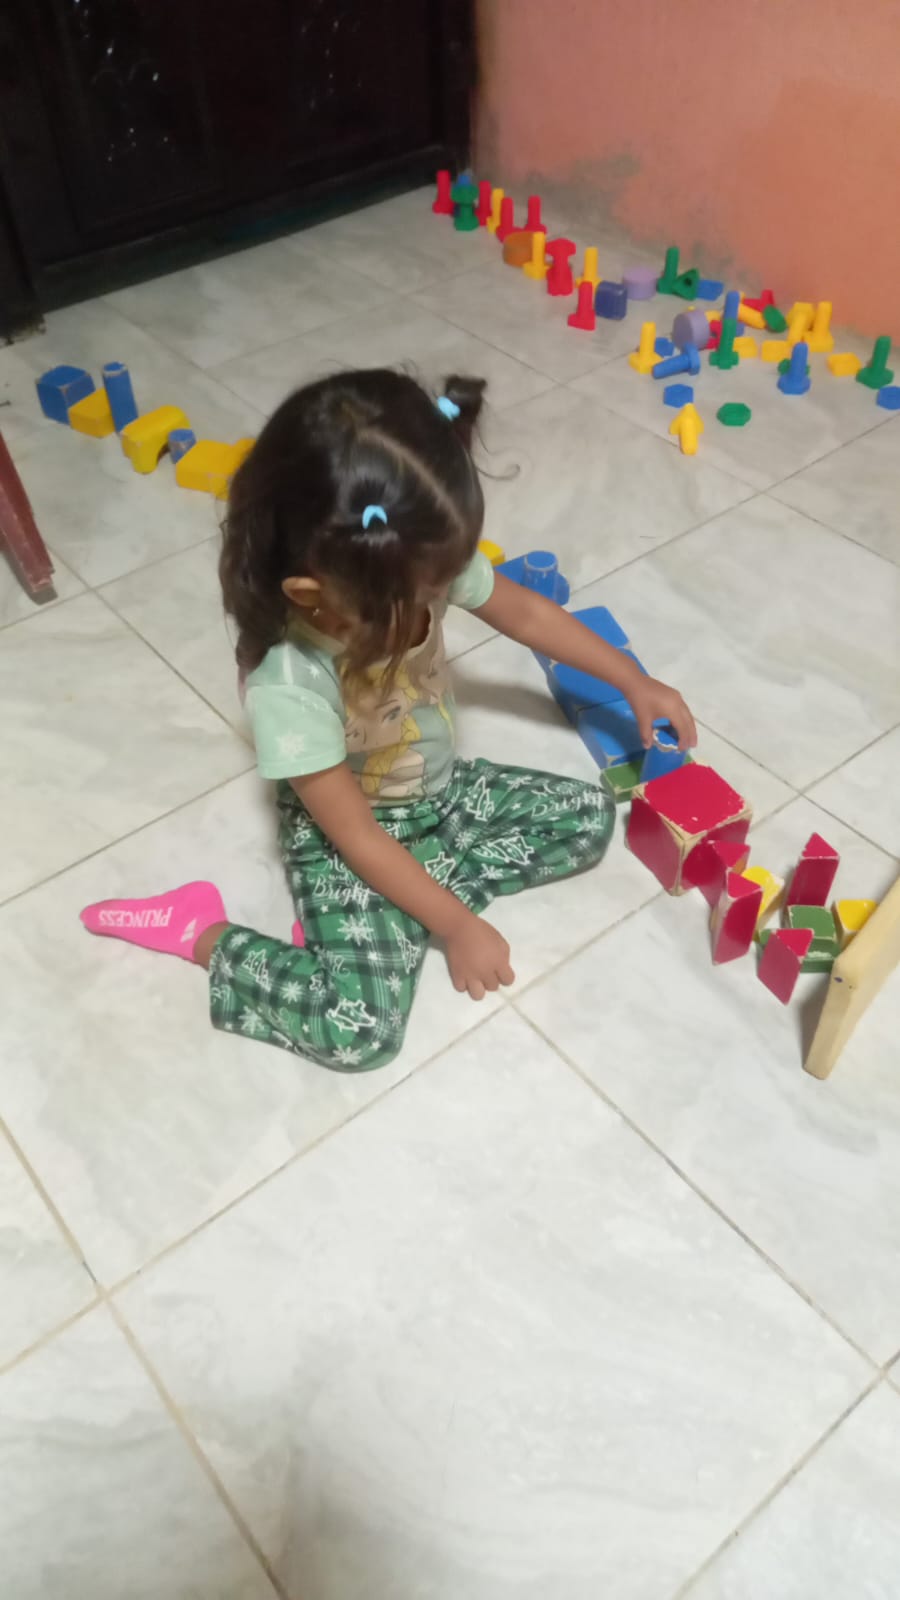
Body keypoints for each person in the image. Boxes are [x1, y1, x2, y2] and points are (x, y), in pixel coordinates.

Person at [80, 369, 696, 1070]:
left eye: (443, 584)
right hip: (347, 836)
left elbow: (525, 612)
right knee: (359, 1033)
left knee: (589, 819)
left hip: (438, 792)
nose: (439, 601)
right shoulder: (290, 685)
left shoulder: (413, 559)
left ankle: (391, 915)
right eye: (422, 597)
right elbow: (357, 834)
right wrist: (456, 927)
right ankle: (204, 933)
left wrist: (633, 681)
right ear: (312, 594)